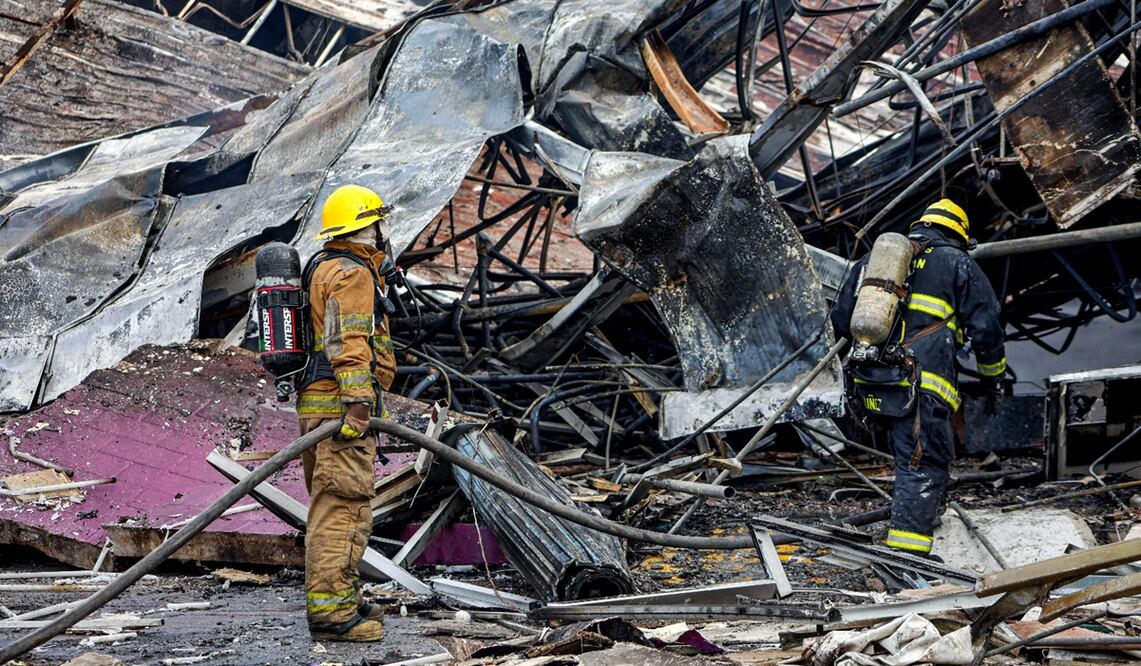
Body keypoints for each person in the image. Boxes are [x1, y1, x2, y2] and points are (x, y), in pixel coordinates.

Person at [831, 199, 1006, 557]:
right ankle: (907, 559)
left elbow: (839, 321)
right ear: (958, 235)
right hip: (921, 385)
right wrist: (992, 381)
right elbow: (988, 330)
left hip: (871, 384)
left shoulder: (874, 262)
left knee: (919, 457)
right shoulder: (957, 263)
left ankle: (927, 518)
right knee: (922, 465)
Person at [295, 184, 397, 641]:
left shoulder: (322, 266)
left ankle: (345, 598)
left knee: (332, 504)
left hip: (317, 407)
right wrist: (358, 405)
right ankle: (334, 616)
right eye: (379, 223)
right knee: (345, 507)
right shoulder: (353, 274)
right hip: (341, 411)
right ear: (366, 227)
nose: (383, 231)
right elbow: (348, 343)